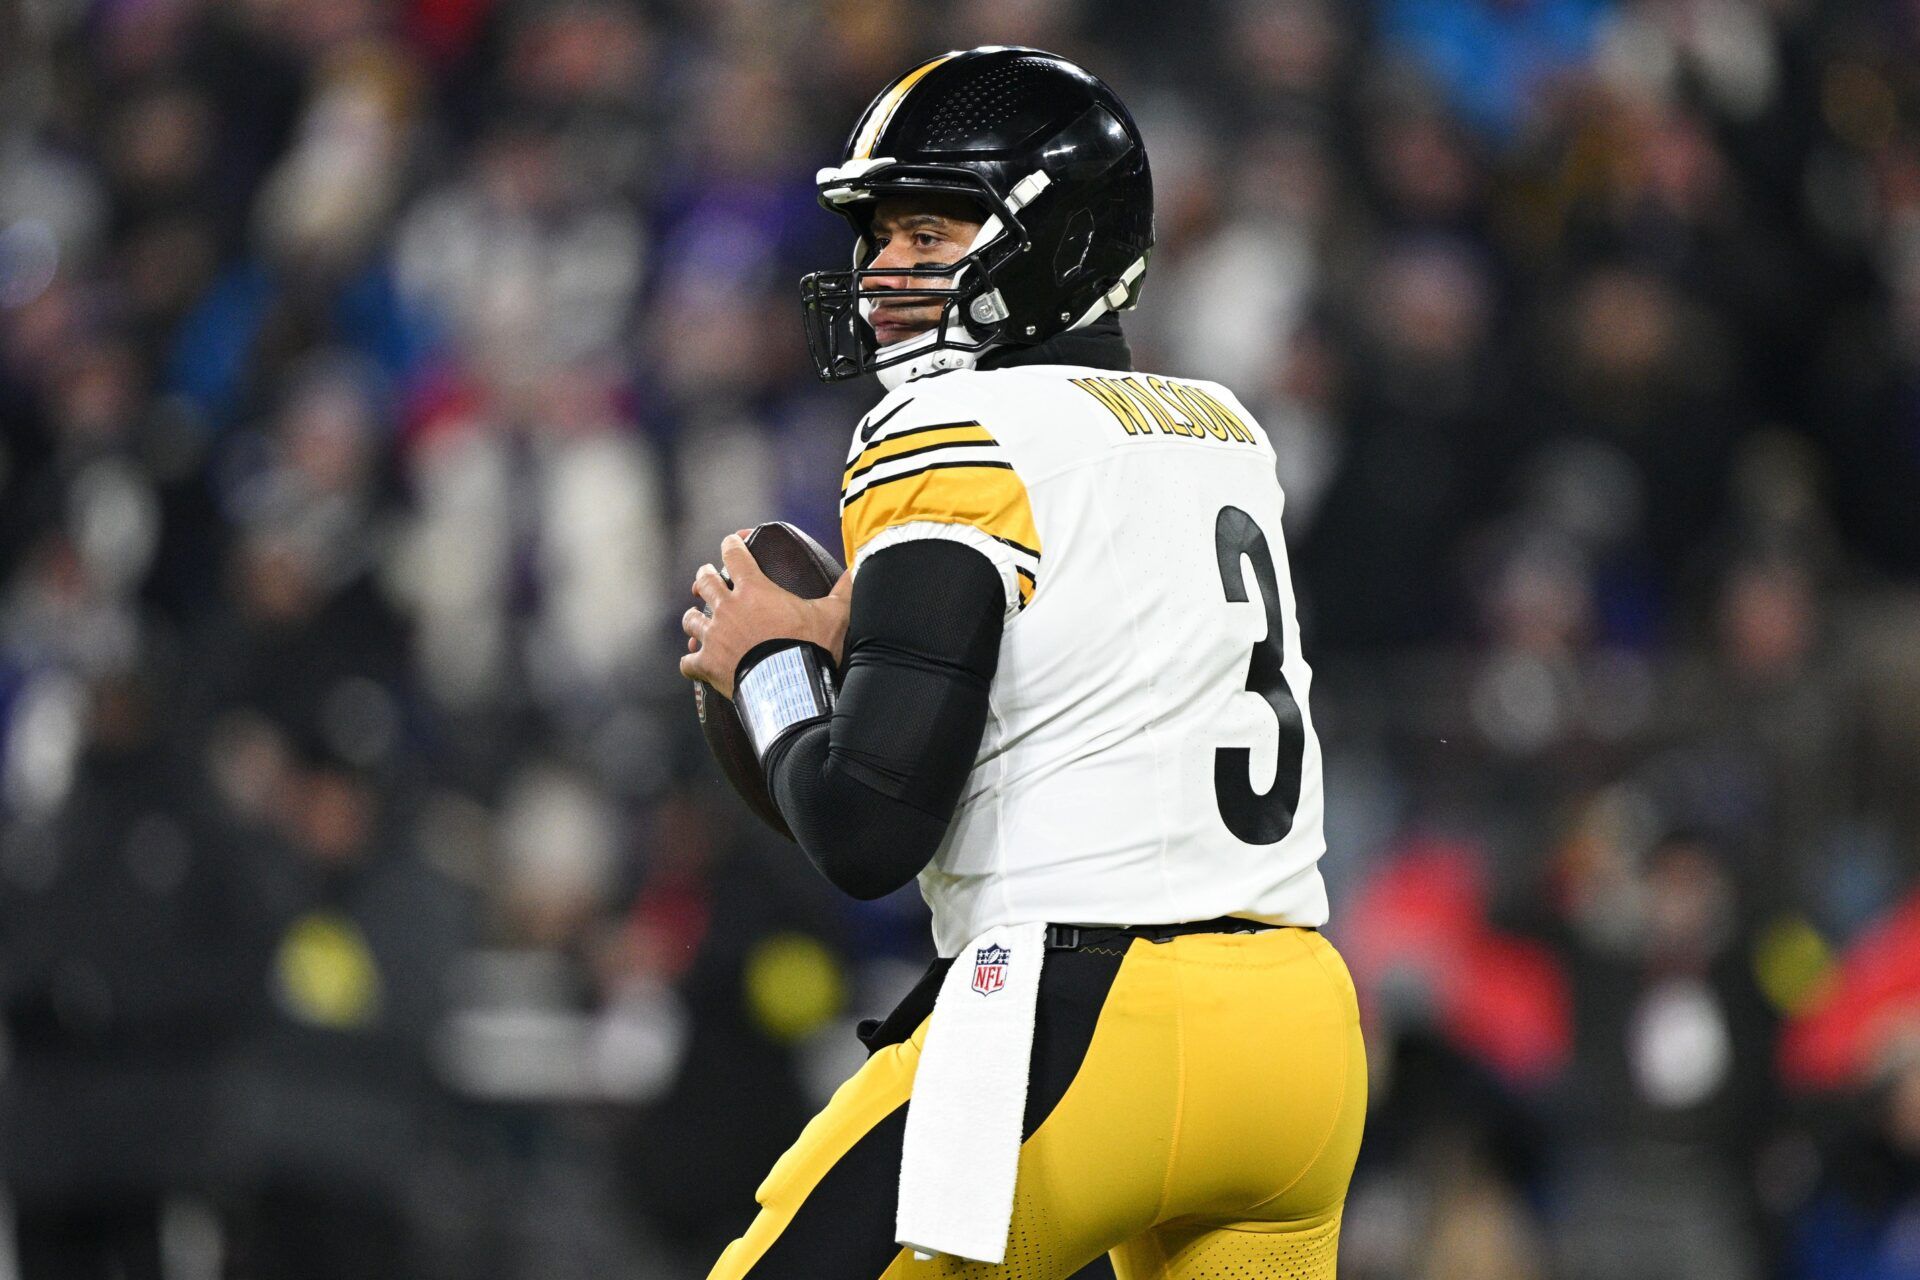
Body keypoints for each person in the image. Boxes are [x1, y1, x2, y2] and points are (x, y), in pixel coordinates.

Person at [679, 46, 1366, 1279]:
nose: (887, 269)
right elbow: (1085, 664)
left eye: (932, 229)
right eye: (880, 232)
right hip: (1297, 1032)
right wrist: (876, 634)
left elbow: (866, 827)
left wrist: (766, 668)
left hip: (1085, 1020)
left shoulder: (949, 429)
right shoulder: (1222, 428)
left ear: (1058, 245)